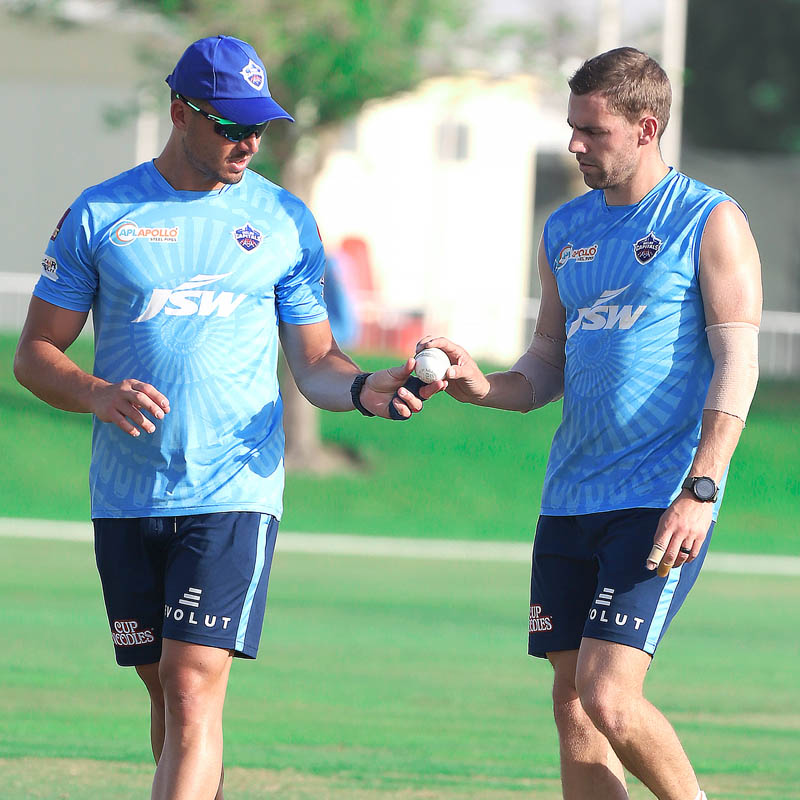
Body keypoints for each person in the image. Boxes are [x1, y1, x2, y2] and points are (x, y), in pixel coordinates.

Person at [13, 35, 442, 800]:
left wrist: (366, 388)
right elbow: (36, 353)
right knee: (166, 692)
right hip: (127, 494)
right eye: (229, 124)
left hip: (233, 489)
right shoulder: (101, 212)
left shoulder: (282, 220)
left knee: (189, 685)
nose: (248, 142)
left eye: (259, 127)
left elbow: (316, 362)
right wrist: (95, 393)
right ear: (180, 113)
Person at [422, 47, 761, 800]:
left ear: (645, 128)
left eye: (591, 130)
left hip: (659, 497)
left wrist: (701, 488)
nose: (574, 143)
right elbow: (547, 362)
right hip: (570, 499)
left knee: (610, 694)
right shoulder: (565, 228)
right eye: (572, 127)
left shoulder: (709, 220)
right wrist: (480, 386)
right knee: (573, 705)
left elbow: (739, 363)